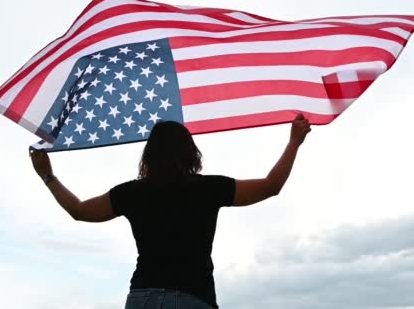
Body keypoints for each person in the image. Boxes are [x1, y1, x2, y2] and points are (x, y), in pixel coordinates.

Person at [30, 113, 312, 309]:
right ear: (191, 152)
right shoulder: (210, 188)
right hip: (192, 296)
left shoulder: (130, 193)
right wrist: (294, 142)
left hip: (141, 298)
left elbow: (78, 210)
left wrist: (48, 176)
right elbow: (271, 185)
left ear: (149, 155)